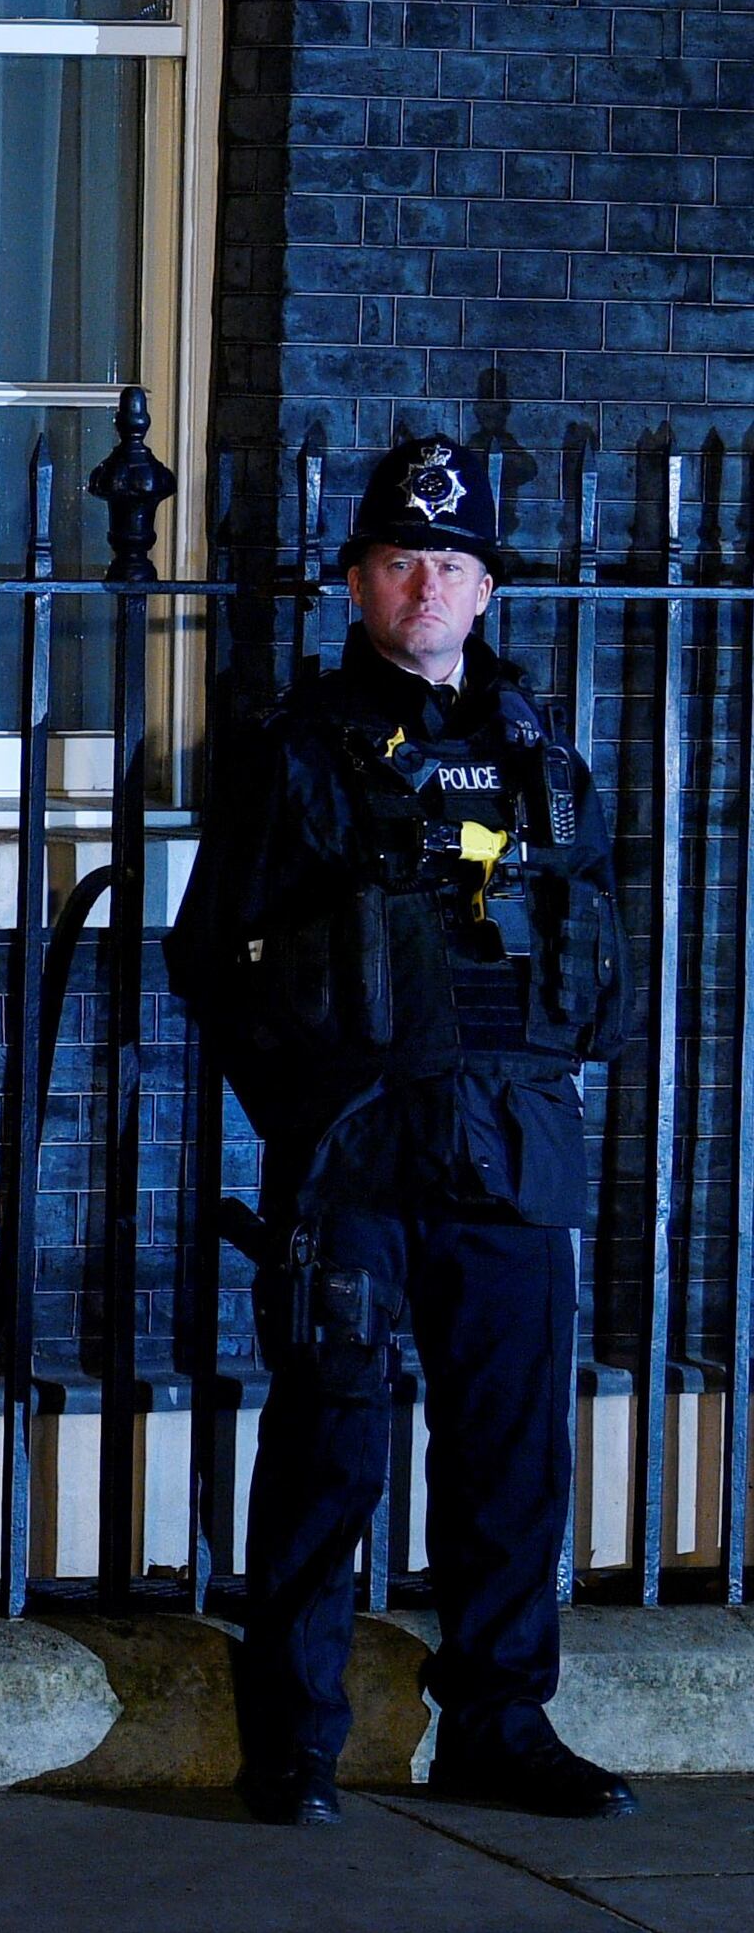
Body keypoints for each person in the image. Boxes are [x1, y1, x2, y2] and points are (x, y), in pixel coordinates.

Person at [172, 432, 631, 1826]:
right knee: (332, 1444)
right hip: (359, 1155)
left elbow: (592, 956)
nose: (425, 583)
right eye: (397, 560)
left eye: (450, 560)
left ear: (486, 588)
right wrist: (306, 1115)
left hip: (511, 1149)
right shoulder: (294, 753)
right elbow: (209, 958)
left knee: (511, 1456)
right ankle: (294, 1741)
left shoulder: (545, 759)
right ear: (355, 584)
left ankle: (501, 1723)